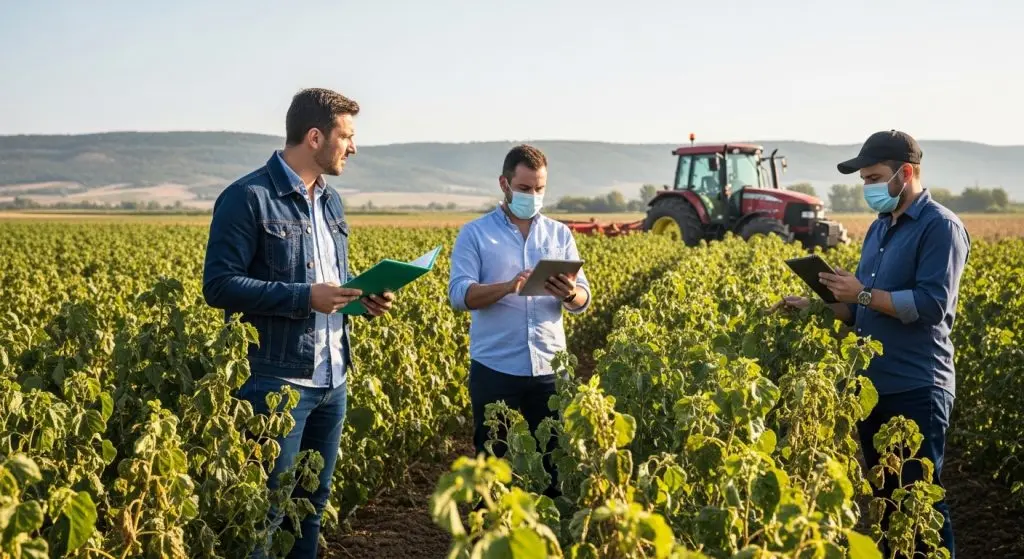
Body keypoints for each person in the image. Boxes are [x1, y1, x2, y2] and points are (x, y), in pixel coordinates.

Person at [202, 87, 396, 558]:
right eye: (346, 136)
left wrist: (358, 296)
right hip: (277, 382)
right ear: (314, 137)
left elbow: (326, 281)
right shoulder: (247, 197)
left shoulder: (331, 202)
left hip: (333, 379)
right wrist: (306, 297)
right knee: (266, 515)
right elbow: (220, 286)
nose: (353, 147)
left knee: (310, 509)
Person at [775, 130, 970, 558]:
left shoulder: (941, 227)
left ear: (906, 173)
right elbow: (860, 313)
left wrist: (860, 293)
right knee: (886, 506)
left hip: (919, 385)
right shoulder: (879, 231)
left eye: (874, 177)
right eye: (863, 180)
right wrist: (814, 303)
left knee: (920, 502)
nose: (868, 188)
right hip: (872, 389)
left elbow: (932, 305)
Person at [447, 144, 592, 497]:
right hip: (496, 369)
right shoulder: (475, 234)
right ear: (505, 184)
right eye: (525, 188)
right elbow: (459, 295)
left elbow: (583, 298)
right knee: (492, 473)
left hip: (550, 370)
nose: (533, 195)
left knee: (554, 470)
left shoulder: (559, 234)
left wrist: (568, 293)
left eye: (539, 188)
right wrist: (509, 287)